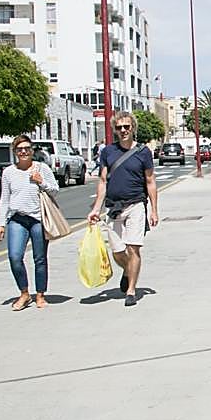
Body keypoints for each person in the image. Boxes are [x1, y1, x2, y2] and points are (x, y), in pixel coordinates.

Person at [88, 111, 160, 306]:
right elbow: (103, 181)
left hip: (136, 204)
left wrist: (154, 210)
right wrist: (96, 208)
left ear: (133, 128)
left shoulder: (143, 152)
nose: (123, 130)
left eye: (126, 126)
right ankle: (128, 270)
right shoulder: (108, 152)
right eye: (119, 127)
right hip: (114, 208)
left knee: (133, 248)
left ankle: (131, 290)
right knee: (118, 252)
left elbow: (150, 181)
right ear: (115, 130)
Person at [0, 134, 59, 311]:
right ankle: (24, 293)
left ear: (32, 151)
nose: (24, 152)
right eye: (20, 149)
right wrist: (0, 224)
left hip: (38, 218)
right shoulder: (8, 173)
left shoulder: (41, 168)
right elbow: (4, 200)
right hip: (17, 219)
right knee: (15, 257)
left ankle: (40, 294)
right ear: (15, 152)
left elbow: (55, 190)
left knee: (40, 258)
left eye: (27, 149)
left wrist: (41, 181)